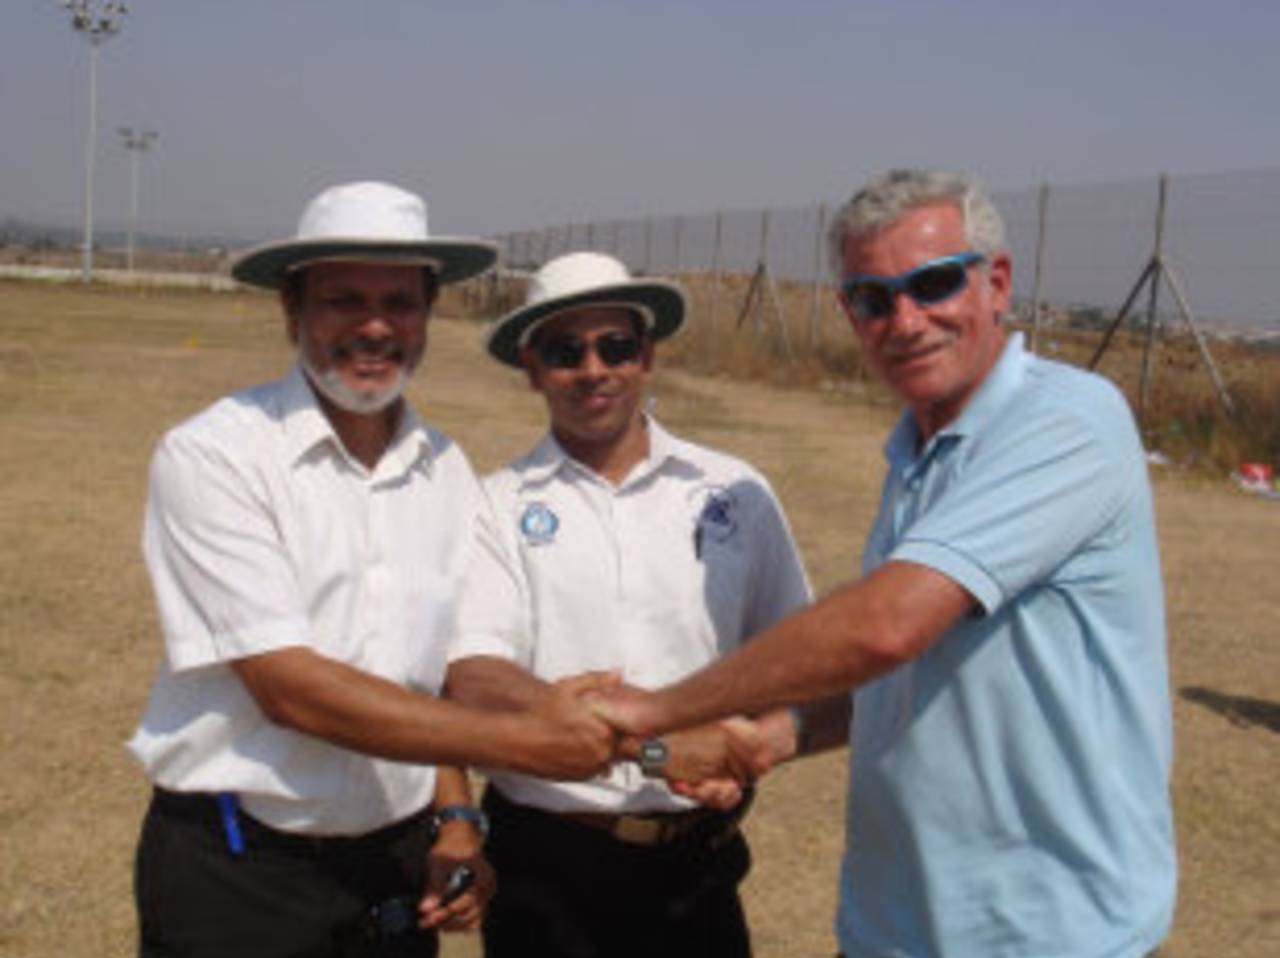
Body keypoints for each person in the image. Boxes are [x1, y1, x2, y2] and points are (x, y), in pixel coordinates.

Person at [596, 170, 1177, 958]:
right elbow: (904, 676)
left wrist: (654, 710)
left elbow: (887, 627)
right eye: (874, 298)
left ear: (996, 283)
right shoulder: (918, 455)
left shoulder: (1068, 421)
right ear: (850, 313)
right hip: (895, 930)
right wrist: (778, 734)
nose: (906, 320)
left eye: (934, 283)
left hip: (1044, 934)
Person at [127, 182, 617, 958]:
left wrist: (455, 817)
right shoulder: (215, 455)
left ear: (428, 315)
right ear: (293, 312)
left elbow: (436, 674)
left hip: (391, 871)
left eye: (401, 300)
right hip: (238, 873)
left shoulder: (445, 470)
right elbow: (289, 688)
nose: (376, 325)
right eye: (343, 300)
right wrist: (528, 743)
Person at [444, 251, 831, 958]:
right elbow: (475, 676)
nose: (594, 369)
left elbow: (798, 660)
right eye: (565, 351)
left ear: (647, 355)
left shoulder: (734, 491)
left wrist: (747, 750)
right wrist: (658, 746)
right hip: (550, 868)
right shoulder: (493, 506)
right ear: (531, 369)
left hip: (699, 868)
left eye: (615, 346)